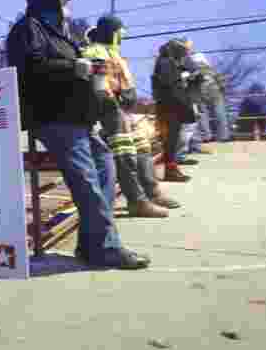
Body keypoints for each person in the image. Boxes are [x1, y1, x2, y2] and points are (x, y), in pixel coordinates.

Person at [6, 0, 150, 270]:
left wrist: (86, 68)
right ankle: (107, 248)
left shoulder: (61, 35)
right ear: (48, 3)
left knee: (105, 168)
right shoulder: (28, 28)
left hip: (79, 118)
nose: (67, 7)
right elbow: (30, 66)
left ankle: (91, 244)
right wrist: (73, 67)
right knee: (87, 183)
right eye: (63, 1)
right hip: (52, 117)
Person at [83, 16, 178, 218]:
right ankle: (136, 201)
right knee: (124, 154)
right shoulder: (95, 52)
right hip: (111, 111)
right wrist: (113, 105)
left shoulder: (112, 52)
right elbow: (99, 86)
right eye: (120, 32)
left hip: (124, 110)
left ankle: (152, 192)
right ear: (112, 32)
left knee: (142, 147)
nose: (122, 36)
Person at [151, 39, 198, 182]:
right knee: (170, 140)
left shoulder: (168, 63)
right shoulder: (166, 63)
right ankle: (170, 171)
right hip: (169, 107)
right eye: (182, 52)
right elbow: (172, 88)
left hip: (171, 106)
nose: (183, 56)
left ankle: (172, 169)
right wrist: (186, 106)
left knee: (172, 140)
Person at [189, 51, 230, 143]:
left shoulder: (193, 70)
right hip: (215, 92)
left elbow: (190, 83)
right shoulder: (210, 69)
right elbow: (221, 80)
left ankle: (207, 136)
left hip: (200, 93)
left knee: (203, 115)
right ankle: (224, 136)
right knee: (220, 113)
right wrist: (222, 89)